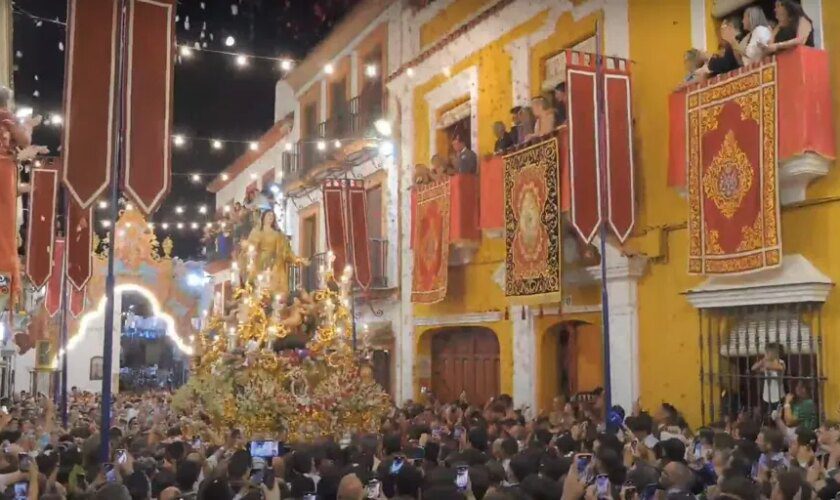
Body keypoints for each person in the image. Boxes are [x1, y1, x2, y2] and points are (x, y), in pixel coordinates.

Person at [696, 16, 744, 80]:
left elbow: (726, 65)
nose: (721, 31)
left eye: (723, 27)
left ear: (730, 27)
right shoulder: (730, 44)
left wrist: (709, 58)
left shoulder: (738, 41)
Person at [752, 343, 786, 414]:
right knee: (767, 416)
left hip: (778, 397)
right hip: (767, 396)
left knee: (777, 417)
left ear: (773, 353)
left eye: (767, 352)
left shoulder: (781, 362)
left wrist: (765, 365)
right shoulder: (766, 362)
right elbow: (753, 368)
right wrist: (763, 361)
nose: (765, 354)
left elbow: (779, 367)